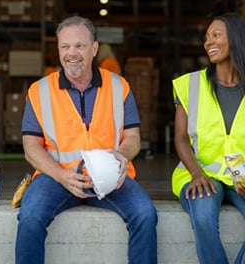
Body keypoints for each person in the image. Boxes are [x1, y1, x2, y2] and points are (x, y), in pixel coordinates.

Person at [15, 16, 158, 264]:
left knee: (145, 214)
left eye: (79, 46)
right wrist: (61, 175)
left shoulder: (119, 86)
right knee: (30, 215)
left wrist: (123, 154)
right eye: (65, 47)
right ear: (58, 50)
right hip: (56, 177)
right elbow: (31, 148)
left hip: (110, 178)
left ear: (94, 49)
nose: (72, 53)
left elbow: (133, 137)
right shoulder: (39, 91)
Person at [171, 13, 245, 264]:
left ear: (236, 39)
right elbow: (180, 138)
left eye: (216, 35)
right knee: (202, 217)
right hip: (200, 174)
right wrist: (196, 173)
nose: (208, 42)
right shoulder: (190, 84)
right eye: (206, 37)